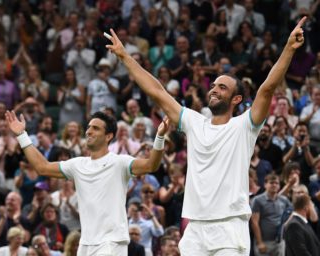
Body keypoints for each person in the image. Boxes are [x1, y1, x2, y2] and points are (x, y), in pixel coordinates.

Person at [105, 16, 307, 255]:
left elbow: (267, 88)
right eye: (213, 85)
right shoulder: (194, 122)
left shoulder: (245, 126)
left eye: (222, 87)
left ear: (236, 99)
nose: (214, 89)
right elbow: (157, 92)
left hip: (230, 227)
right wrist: (125, 57)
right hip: (195, 229)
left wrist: (288, 49)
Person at [5, 110, 169, 256]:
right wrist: (22, 135)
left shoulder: (120, 162)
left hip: (112, 243)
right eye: (89, 127)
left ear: (109, 136)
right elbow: (42, 167)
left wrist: (160, 136)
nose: (89, 131)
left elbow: (150, 165)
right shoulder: (78, 164)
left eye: (96, 128)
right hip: (86, 244)